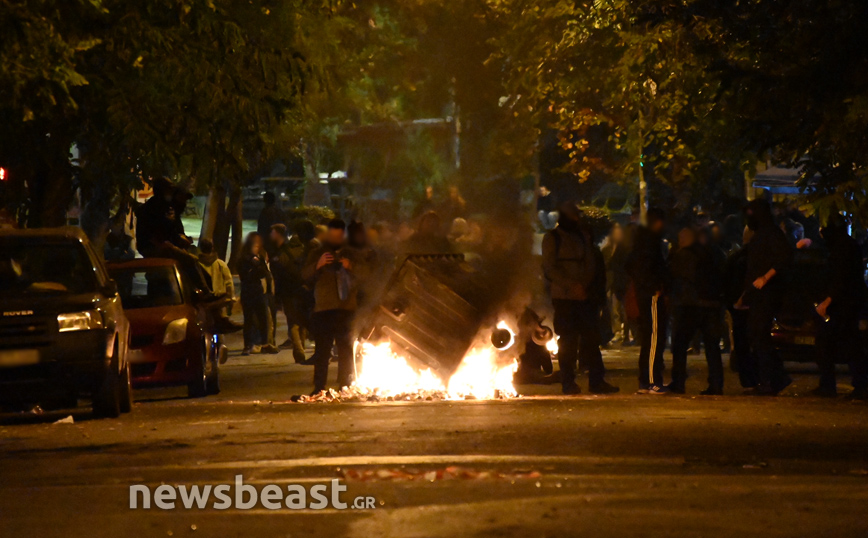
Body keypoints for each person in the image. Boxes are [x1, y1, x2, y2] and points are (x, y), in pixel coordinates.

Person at [542, 203, 619, 395]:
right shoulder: (552, 238)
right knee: (567, 341)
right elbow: (550, 268)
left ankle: (596, 381)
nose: (577, 219)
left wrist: (584, 287)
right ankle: (568, 382)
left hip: (583, 297)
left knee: (591, 340)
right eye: (574, 216)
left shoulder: (582, 237)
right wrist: (571, 286)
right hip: (564, 298)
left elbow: (591, 264)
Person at [812, 215, 868, 399]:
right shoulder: (847, 245)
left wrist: (827, 301)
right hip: (848, 302)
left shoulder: (840, 248)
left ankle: (831, 385)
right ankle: (857, 385)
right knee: (850, 345)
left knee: (832, 344)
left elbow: (840, 278)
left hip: (843, 304)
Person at [743, 199, 793, 395]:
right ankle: (774, 378)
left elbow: (784, 258)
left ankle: (770, 381)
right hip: (757, 295)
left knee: (760, 336)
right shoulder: (762, 234)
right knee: (757, 336)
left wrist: (766, 277)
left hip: (767, 295)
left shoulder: (771, 233)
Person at [302, 219, 358, 393]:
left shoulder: (351, 252)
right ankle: (319, 387)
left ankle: (345, 385)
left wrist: (351, 266)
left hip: (346, 308)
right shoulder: (318, 252)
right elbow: (304, 276)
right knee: (322, 351)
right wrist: (318, 265)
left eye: (339, 235)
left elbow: (367, 276)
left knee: (345, 350)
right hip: (324, 309)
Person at [668, 227, 726, 395]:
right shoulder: (714, 254)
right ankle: (716, 384)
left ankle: (678, 382)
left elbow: (674, 277)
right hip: (712, 305)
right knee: (712, 346)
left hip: (690, 305)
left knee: (680, 344)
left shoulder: (683, 255)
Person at [626, 207, 670, 394]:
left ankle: (646, 380)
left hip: (647, 292)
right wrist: (655, 286)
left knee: (650, 338)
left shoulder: (642, 241)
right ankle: (652, 381)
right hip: (651, 294)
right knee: (653, 337)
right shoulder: (649, 242)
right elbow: (647, 267)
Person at [724, 226, 758, 389]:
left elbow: (727, 280)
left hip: (737, 307)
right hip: (751, 305)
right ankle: (757, 377)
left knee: (741, 343)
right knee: (754, 342)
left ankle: (747, 379)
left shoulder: (736, 257)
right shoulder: (756, 258)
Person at [269, 224, 308, 363]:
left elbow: (278, 276)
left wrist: (277, 296)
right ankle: (301, 346)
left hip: (288, 293)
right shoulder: (302, 251)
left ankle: (298, 349)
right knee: (302, 321)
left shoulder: (282, 253)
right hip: (302, 291)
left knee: (292, 322)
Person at [239, 232, 278, 355]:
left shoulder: (260, 257)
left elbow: (265, 273)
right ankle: (247, 345)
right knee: (249, 319)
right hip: (248, 291)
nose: (258, 247)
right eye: (255, 244)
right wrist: (254, 266)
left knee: (263, 318)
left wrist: (258, 267)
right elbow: (245, 275)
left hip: (259, 291)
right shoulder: (244, 258)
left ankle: (265, 343)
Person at [197, 238, 235, 313]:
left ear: (200, 248)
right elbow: (229, 283)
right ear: (212, 248)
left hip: (203, 302)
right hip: (220, 302)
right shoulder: (221, 264)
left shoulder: (197, 265)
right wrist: (230, 300)